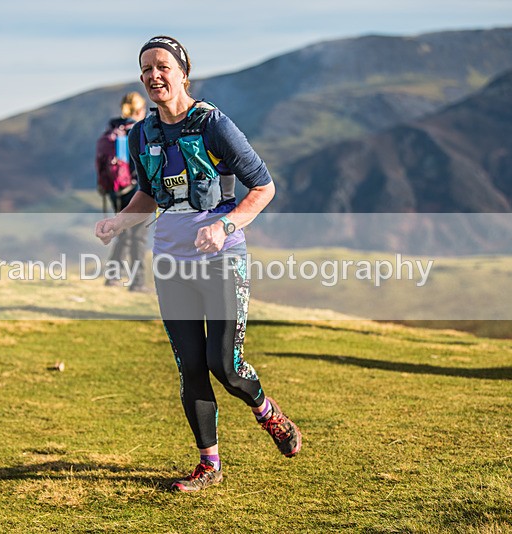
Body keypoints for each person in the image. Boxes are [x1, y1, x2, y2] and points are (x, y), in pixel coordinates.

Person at [95, 36, 301, 492]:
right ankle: (209, 464)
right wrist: (119, 221)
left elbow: (263, 188)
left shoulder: (213, 125)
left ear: (183, 73)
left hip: (222, 259)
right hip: (171, 263)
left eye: (162, 66)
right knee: (190, 367)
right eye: (146, 68)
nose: (153, 75)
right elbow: (148, 195)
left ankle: (267, 412)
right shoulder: (140, 134)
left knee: (225, 366)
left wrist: (225, 226)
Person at [96, 92, 149, 291]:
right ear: (140, 110)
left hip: (114, 190)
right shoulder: (139, 131)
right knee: (138, 236)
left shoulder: (112, 130)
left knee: (123, 232)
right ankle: (138, 282)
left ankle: (112, 277)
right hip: (136, 189)